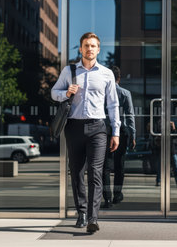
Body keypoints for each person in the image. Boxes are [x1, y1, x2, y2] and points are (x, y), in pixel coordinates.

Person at [51, 32, 120, 234]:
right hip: (73, 127)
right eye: (86, 45)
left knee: (96, 173)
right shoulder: (69, 71)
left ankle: (93, 217)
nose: (89, 49)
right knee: (77, 172)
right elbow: (54, 93)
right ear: (80, 49)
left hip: (98, 128)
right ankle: (81, 212)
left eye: (93, 46)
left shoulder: (106, 74)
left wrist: (115, 132)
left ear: (98, 49)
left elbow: (113, 105)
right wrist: (66, 92)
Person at [102, 66, 136, 208]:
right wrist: (133, 134)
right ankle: (117, 194)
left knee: (105, 167)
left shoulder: (102, 93)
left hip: (104, 132)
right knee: (119, 165)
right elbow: (130, 116)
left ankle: (107, 198)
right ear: (119, 78)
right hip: (121, 132)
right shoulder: (125, 93)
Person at [151, 121, 177, 188]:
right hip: (163, 150)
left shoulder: (170, 131)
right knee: (161, 167)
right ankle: (158, 180)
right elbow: (154, 135)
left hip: (171, 151)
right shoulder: (160, 130)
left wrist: (173, 126)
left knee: (176, 167)